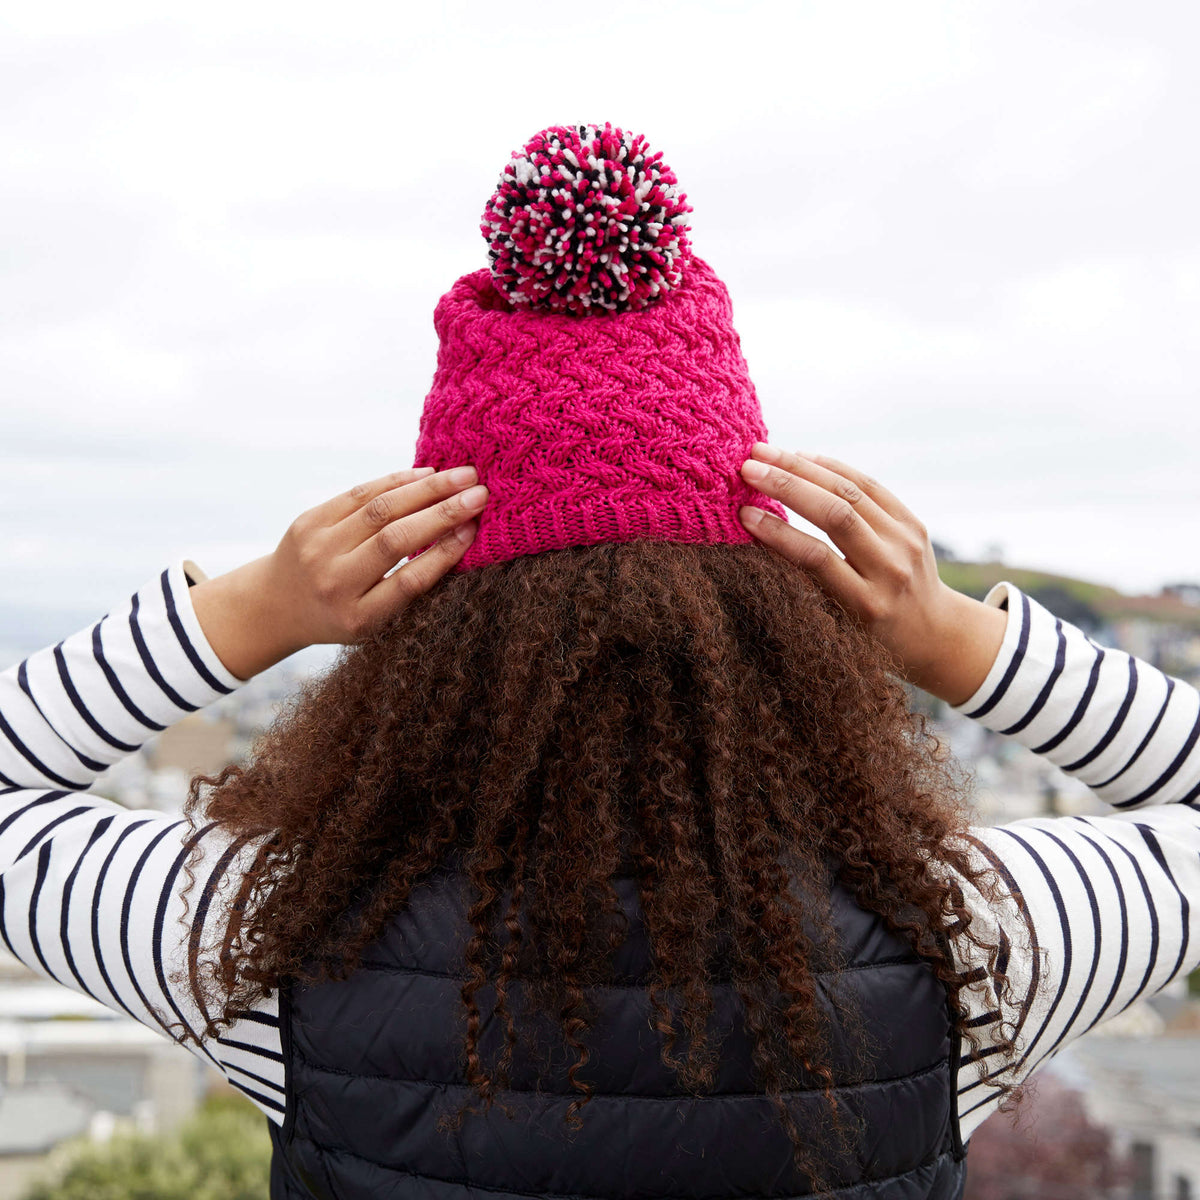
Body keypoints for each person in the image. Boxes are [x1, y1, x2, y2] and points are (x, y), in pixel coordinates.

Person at [2, 124, 1197, 1200]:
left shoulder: (276, 946)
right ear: (773, 613)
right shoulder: (967, 943)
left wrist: (257, 609)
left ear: (432, 625)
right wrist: (953, 636)